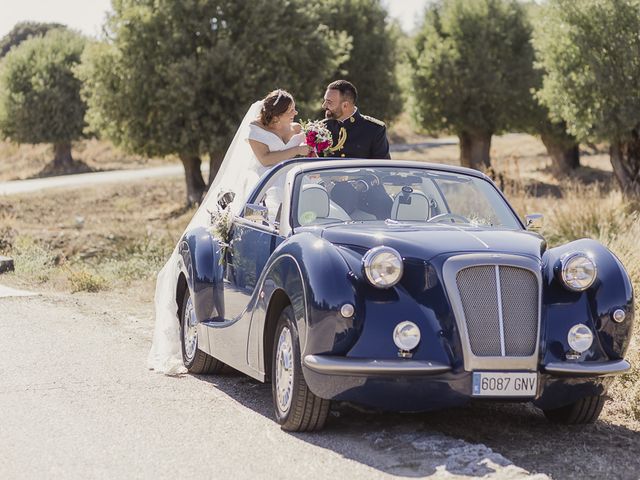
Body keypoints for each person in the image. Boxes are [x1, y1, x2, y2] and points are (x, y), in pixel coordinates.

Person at [147, 89, 310, 375]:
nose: (295, 114)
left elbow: (303, 147)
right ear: (276, 114)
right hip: (266, 184)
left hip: (296, 186)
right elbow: (267, 161)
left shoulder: (295, 128)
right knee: (268, 213)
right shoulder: (255, 131)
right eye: (290, 110)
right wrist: (296, 150)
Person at [322, 80, 390, 159]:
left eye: (329, 102)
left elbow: (382, 168)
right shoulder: (322, 128)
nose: (324, 106)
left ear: (345, 105)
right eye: (325, 100)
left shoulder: (375, 129)